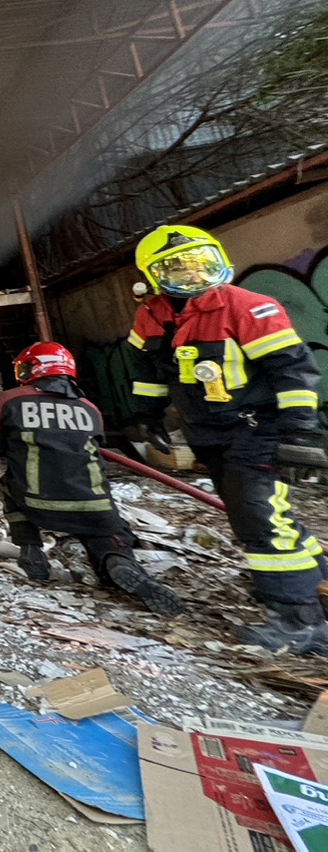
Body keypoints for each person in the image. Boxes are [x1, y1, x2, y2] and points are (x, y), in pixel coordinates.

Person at [127, 223, 328, 653]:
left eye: (202, 263)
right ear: (152, 278)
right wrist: (148, 414)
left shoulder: (248, 307)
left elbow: (292, 371)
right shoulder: (152, 316)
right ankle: (315, 583)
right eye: (178, 268)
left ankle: (300, 620)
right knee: (260, 515)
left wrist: (300, 432)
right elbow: (148, 370)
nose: (194, 274)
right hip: (209, 434)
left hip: (258, 428)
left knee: (259, 518)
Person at [0, 341, 184, 616]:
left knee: (8, 485)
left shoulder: (10, 399)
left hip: (38, 503)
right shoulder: (90, 408)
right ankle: (118, 561)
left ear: (36, 368)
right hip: (95, 506)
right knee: (107, 533)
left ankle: (32, 554)